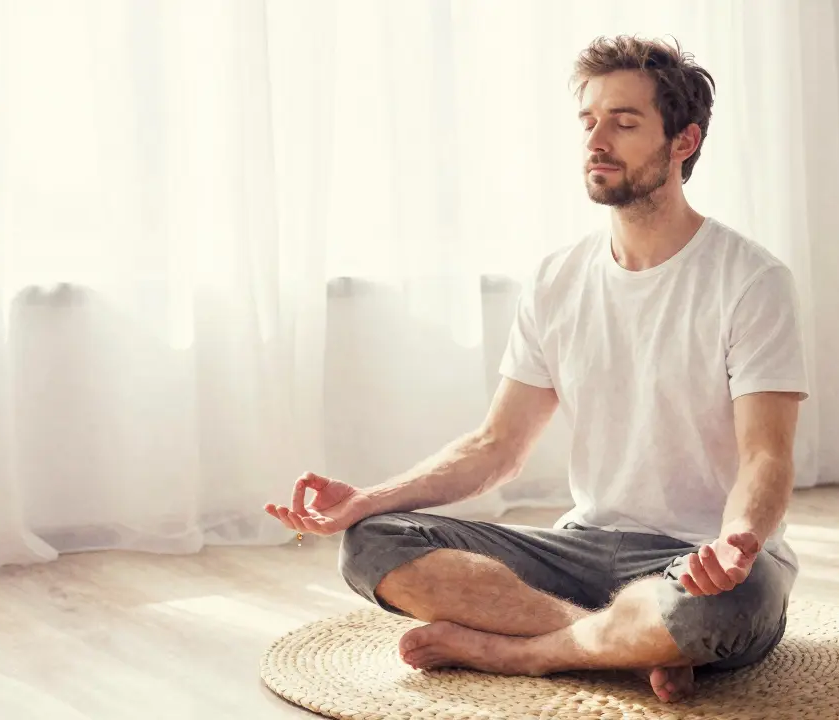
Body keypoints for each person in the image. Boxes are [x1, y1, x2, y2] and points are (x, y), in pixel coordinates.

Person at [264, 35, 809, 704]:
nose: (597, 140)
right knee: (372, 545)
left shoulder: (752, 280)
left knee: (715, 611)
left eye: (625, 121)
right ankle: (620, 646)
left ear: (683, 142)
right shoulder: (557, 278)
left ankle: (517, 653)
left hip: (698, 560)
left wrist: (737, 543)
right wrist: (366, 501)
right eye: (589, 121)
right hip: (581, 552)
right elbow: (496, 448)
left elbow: (766, 454)